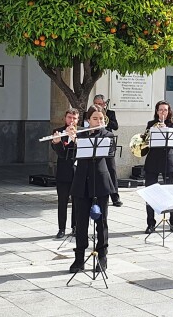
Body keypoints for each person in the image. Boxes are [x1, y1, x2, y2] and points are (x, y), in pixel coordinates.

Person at [69, 105, 117, 272]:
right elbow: (65, 154)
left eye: (101, 118)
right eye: (95, 118)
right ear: (88, 120)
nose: (98, 121)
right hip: (81, 183)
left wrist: (115, 192)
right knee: (81, 223)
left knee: (101, 223)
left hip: (101, 184)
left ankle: (102, 257)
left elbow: (110, 162)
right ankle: (79, 258)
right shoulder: (79, 135)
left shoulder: (108, 135)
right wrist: (63, 142)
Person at [143, 101, 173, 234]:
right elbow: (145, 142)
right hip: (153, 160)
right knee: (150, 192)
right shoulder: (150, 124)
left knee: (171, 192)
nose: (163, 112)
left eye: (165, 110)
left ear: (169, 111)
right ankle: (150, 223)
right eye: (160, 110)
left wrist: (165, 130)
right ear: (157, 111)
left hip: (168, 160)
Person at [51, 108, 80, 239]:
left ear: (78, 120)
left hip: (78, 173)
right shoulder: (57, 132)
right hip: (63, 172)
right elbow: (62, 154)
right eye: (69, 117)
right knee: (62, 202)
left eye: (74, 118)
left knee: (77, 202)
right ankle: (61, 229)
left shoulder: (82, 133)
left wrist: (74, 139)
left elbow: (81, 152)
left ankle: (75, 227)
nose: (71, 121)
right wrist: (57, 142)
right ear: (65, 118)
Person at [93, 94, 122, 207]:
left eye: (100, 104)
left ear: (104, 104)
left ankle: (115, 197)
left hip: (108, 143)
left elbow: (115, 126)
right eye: (96, 103)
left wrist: (105, 120)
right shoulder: (89, 114)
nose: (98, 105)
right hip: (95, 143)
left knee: (111, 170)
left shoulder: (110, 113)